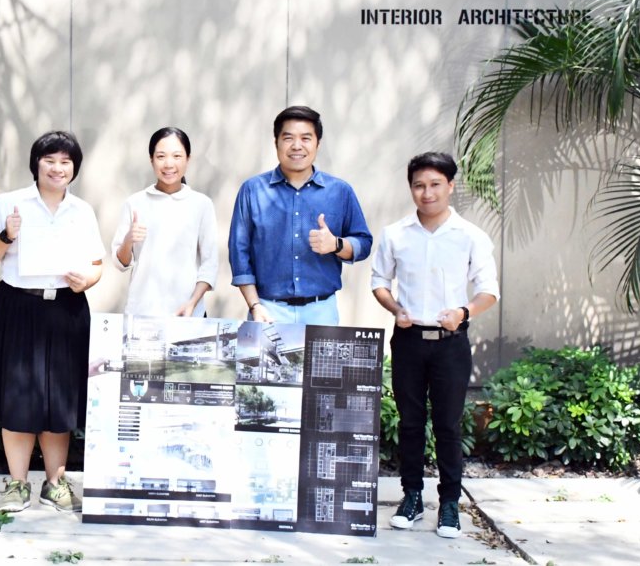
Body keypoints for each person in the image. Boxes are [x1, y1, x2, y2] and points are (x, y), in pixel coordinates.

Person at [0, 130, 104, 514]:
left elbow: (96, 264)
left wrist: (88, 280)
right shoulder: (10, 203)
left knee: (59, 400)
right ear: (36, 164)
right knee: (17, 396)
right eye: (50, 160)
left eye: (66, 162)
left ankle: (55, 483)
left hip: (66, 309)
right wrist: (6, 236)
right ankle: (17, 484)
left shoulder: (82, 210)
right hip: (19, 307)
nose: (57, 168)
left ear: (74, 168)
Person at [370, 151, 499, 539]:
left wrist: (463, 311)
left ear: (451, 186)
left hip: (450, 343)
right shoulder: (395, 234)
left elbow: (489, 291)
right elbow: (379, 282)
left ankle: (449, 504)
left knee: (447, 424)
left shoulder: (471, 236)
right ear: (411, 188)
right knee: (410, 422)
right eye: (419, 185)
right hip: (409, 340)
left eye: (435, 185)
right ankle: (411, 497)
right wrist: (395, 308)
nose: (427, 193)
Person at [228, 105, 372, 326]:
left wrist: (336, 244)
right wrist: (255, 305)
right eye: (288, 138)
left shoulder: (340, 191)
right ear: (276, 142)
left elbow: (364, 243)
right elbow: (239, 252)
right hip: (268, 309)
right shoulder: (253, 190)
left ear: (317, 144)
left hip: (321, 311)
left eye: (306, 138)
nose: (297, 146)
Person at [111, 127, 218, 317]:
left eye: (177, 156)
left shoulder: (202, 204)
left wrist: (192, 304)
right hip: (142, 314)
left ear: (188, 159)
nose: (169, 164)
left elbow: (209, 264)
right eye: (161, 156)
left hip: (188, 314)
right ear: (151, 159)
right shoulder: (135, 203)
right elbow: (121, 263)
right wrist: (128, 240)